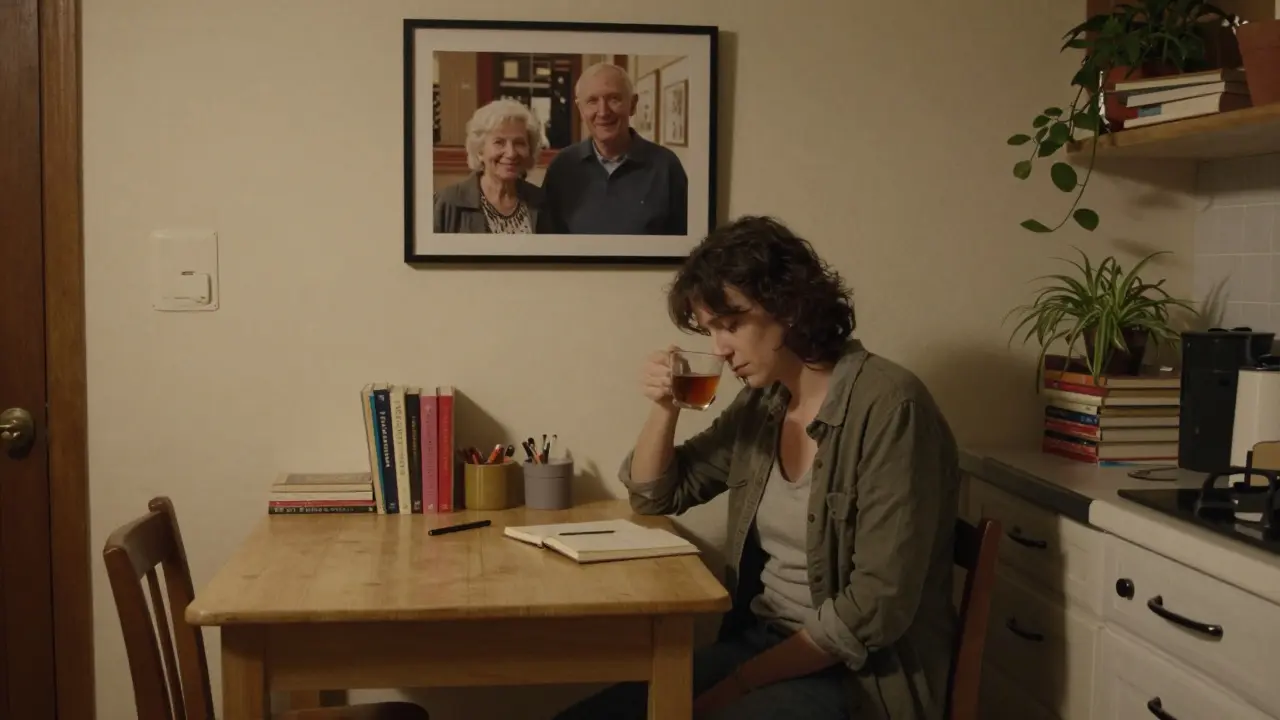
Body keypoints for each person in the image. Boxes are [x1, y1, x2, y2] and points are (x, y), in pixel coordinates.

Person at [553, 216, 961, 720]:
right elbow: (655, 495)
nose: (720, 349)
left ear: (788, 304)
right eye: (710, 330)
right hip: (764, 643)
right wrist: (665, 407)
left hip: (860, 675)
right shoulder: (764, 405)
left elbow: (873, 609)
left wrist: (740, 684)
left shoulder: (891, 407)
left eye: (732, 324)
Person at [538, 62, 688, 236]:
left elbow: (687, 245)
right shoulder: (561, 167)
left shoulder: (667, 166)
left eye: (614, 99)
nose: (603, 112)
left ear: (632, 104)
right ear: (580, 109)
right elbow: (548, 243)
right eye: (592, 101)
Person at [433, 98, 546, 234]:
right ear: (480, 151)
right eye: (499, 142)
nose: (511, 153)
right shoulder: (450, 202)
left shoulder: (542, 202)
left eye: (519, 143)